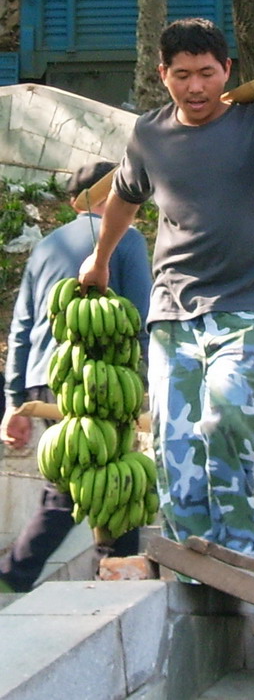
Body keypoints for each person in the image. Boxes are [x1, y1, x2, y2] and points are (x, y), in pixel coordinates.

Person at [78, 17, 254, 564]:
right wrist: (100, 258)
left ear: (227, 70)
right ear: (163, 75)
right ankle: (191, 556)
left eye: (206, 73)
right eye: (182, 75)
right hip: (172, 311)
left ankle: (239, 549)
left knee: (225, 415)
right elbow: (125, 199)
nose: (195, 87)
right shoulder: (150, 134)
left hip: (245, 306)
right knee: (172, 444)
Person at [0, 160, 152, 593]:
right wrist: (143, 380)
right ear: (117, 193)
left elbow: (22, 325)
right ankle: (103, 574)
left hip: (44, 378)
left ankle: (26, 571)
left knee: (71, 482)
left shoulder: (45, 246)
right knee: (108, 480)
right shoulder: (126, 238)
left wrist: (15, 401)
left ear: (71, 203)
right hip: (99, 383)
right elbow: (140, 315)